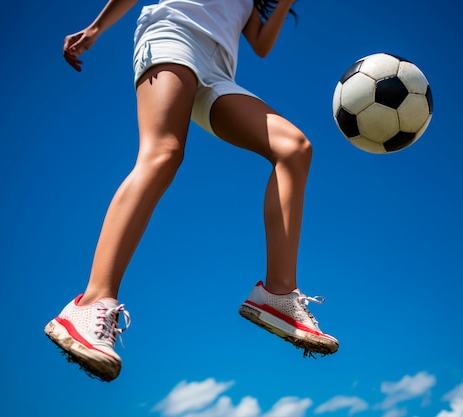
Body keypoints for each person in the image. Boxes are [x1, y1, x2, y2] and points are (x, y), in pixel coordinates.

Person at [44, 0, 338, 382]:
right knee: (163, 153)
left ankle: (278, 294)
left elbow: (262, 45)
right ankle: (91, 301)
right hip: (173, 36)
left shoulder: (248, 4)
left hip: (218, 73)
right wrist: (98, 28)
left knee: (294, 149)